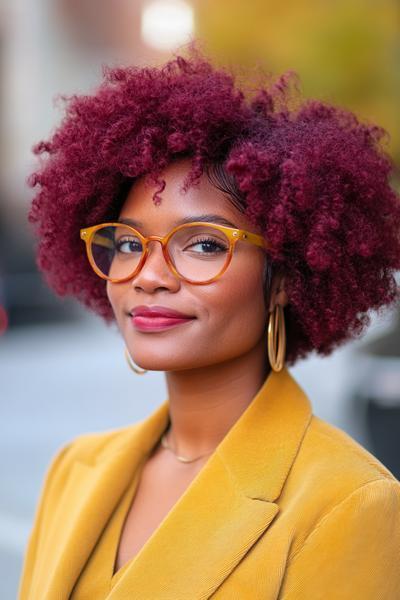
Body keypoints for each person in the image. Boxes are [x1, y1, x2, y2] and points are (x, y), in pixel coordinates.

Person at [18, 47, 400, 599]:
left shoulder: (348, 501)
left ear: (286, 277)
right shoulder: (74, 469)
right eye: (128, 243)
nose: (148, 275)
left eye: (202, 243)